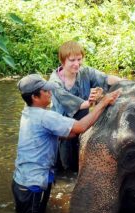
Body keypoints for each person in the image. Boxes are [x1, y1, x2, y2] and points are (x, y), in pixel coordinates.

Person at [12, 74, 121, 213]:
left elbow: (66, 133)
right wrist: (103, 103)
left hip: (24, 181)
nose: (50, 93)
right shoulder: (45, 117)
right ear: (35, 97)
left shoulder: (28, 112)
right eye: (46, 91)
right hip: (32, 185)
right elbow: (80, 127)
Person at [49, 40, 123, 172]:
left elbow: (105, 79)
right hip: (62, 128)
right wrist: (96, 102)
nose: (76, 64)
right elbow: (76, 104)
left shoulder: (85, 72)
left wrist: (125, 83)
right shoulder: (55, 82)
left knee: (82, 162)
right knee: (65, 167)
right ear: (63, 61)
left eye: (79, 59)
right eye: (72, 60)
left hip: (83, 122)